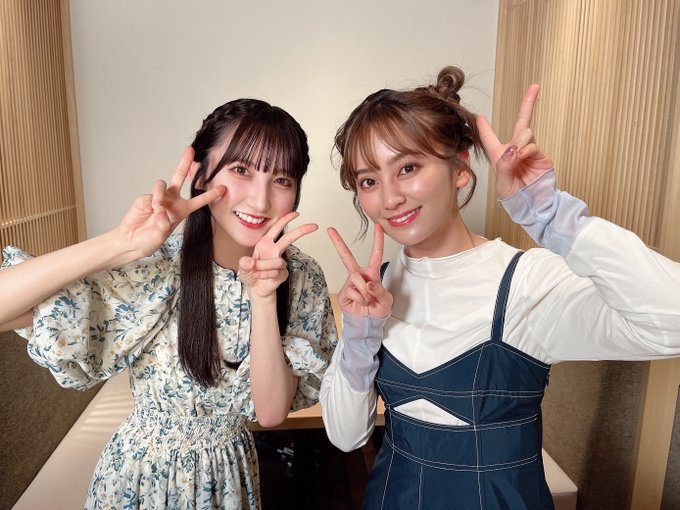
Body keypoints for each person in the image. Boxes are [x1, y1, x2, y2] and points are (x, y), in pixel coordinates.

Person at [319, 66, 680, 509]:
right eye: (369, 181)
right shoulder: (375, 291)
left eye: (408, 167)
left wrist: (552, 217)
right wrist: (359, 339)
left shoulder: (527, 282)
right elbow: (345, 436)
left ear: (460, 168)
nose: (389, 198)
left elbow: (673, 322)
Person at [0, 98, 338, 509]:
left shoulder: (300, 276)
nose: (261, 200)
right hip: (137, 481)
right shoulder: (159, 266)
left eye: (281, 179)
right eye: (241, 170)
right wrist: (121, 244)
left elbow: (270, 413)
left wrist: (264, 297)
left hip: (230, 483)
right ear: (201, 175)